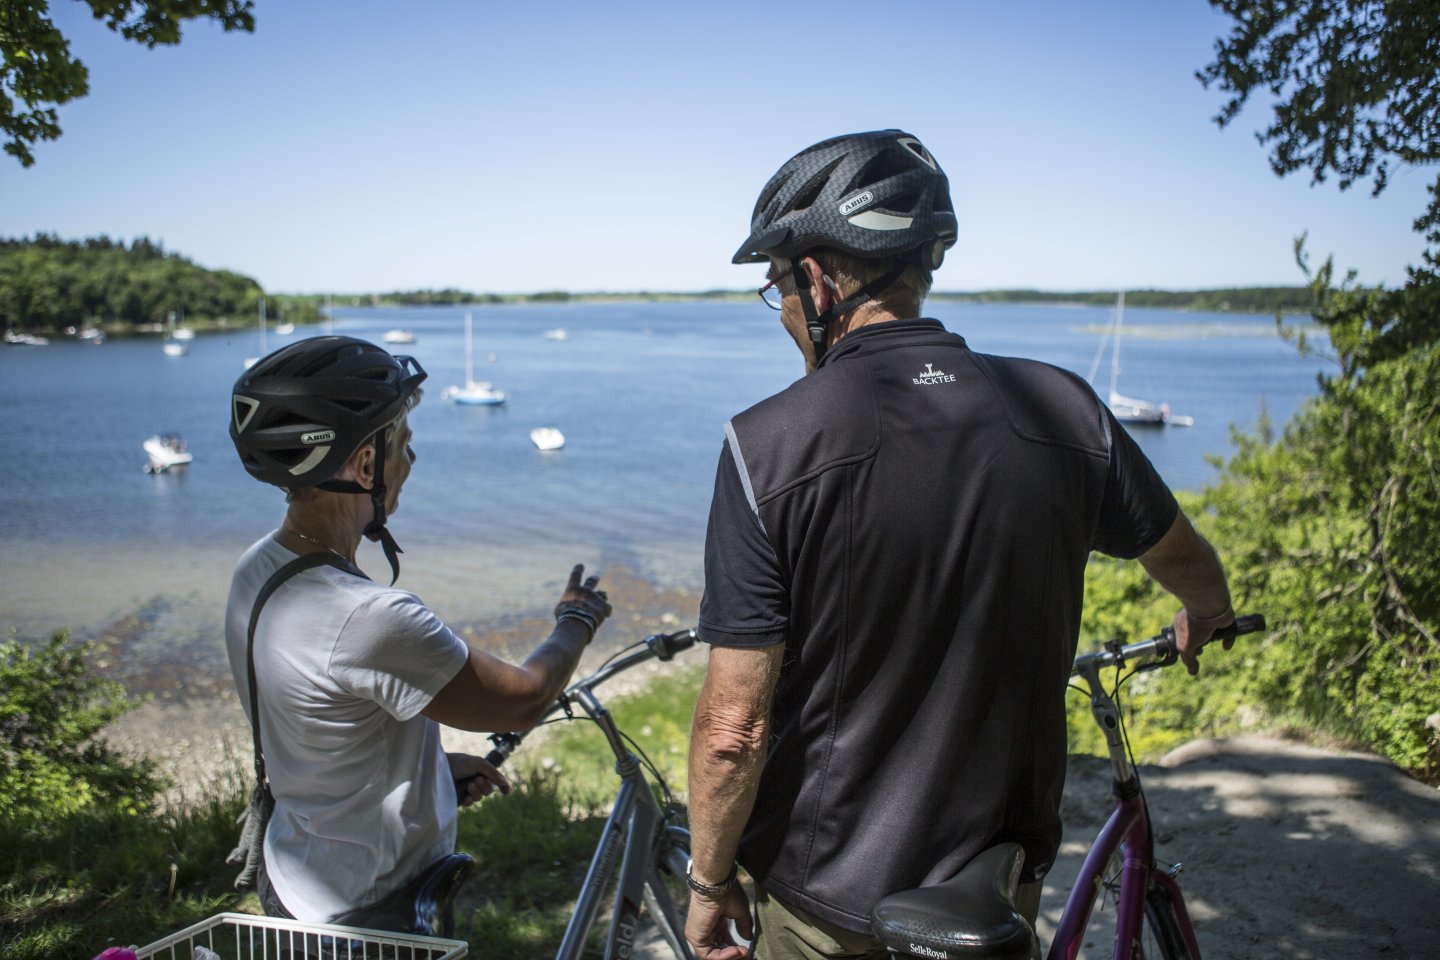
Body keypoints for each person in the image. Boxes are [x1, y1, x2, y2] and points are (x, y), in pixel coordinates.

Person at [683, 130, 1235, 960]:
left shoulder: (767, 446)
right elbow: (1182, 555)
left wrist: (707, 883)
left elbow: (733, 729)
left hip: (828, 899)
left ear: (821, 278)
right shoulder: (1065, 410)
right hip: (996, 880)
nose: (785, 314)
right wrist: (1209, 610)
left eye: (779, 288)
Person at [225, 335, 611, 931]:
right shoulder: (367, 616)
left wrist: (426, 768)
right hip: (371, 910)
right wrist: (576, 620)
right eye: (403, 444)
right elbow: (522, 699)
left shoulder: (258, 567)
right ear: (364, 465)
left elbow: (319, 727)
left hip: (298, 874)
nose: (412, 459)